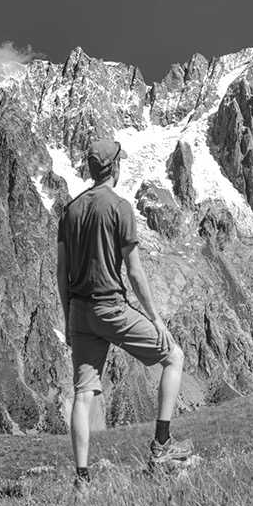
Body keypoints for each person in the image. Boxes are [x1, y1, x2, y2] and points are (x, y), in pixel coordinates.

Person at [55, 139, 193, 484]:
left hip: (79, 311)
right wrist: (156, 319)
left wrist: (68, 316)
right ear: (114, 167)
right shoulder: (119, 207)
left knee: (82, 393)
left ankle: (82, 480)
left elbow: (61, 272)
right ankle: (161, 445)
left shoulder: (69, 211)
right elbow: (134, 271)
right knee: (173, 356)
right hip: (110, 307)